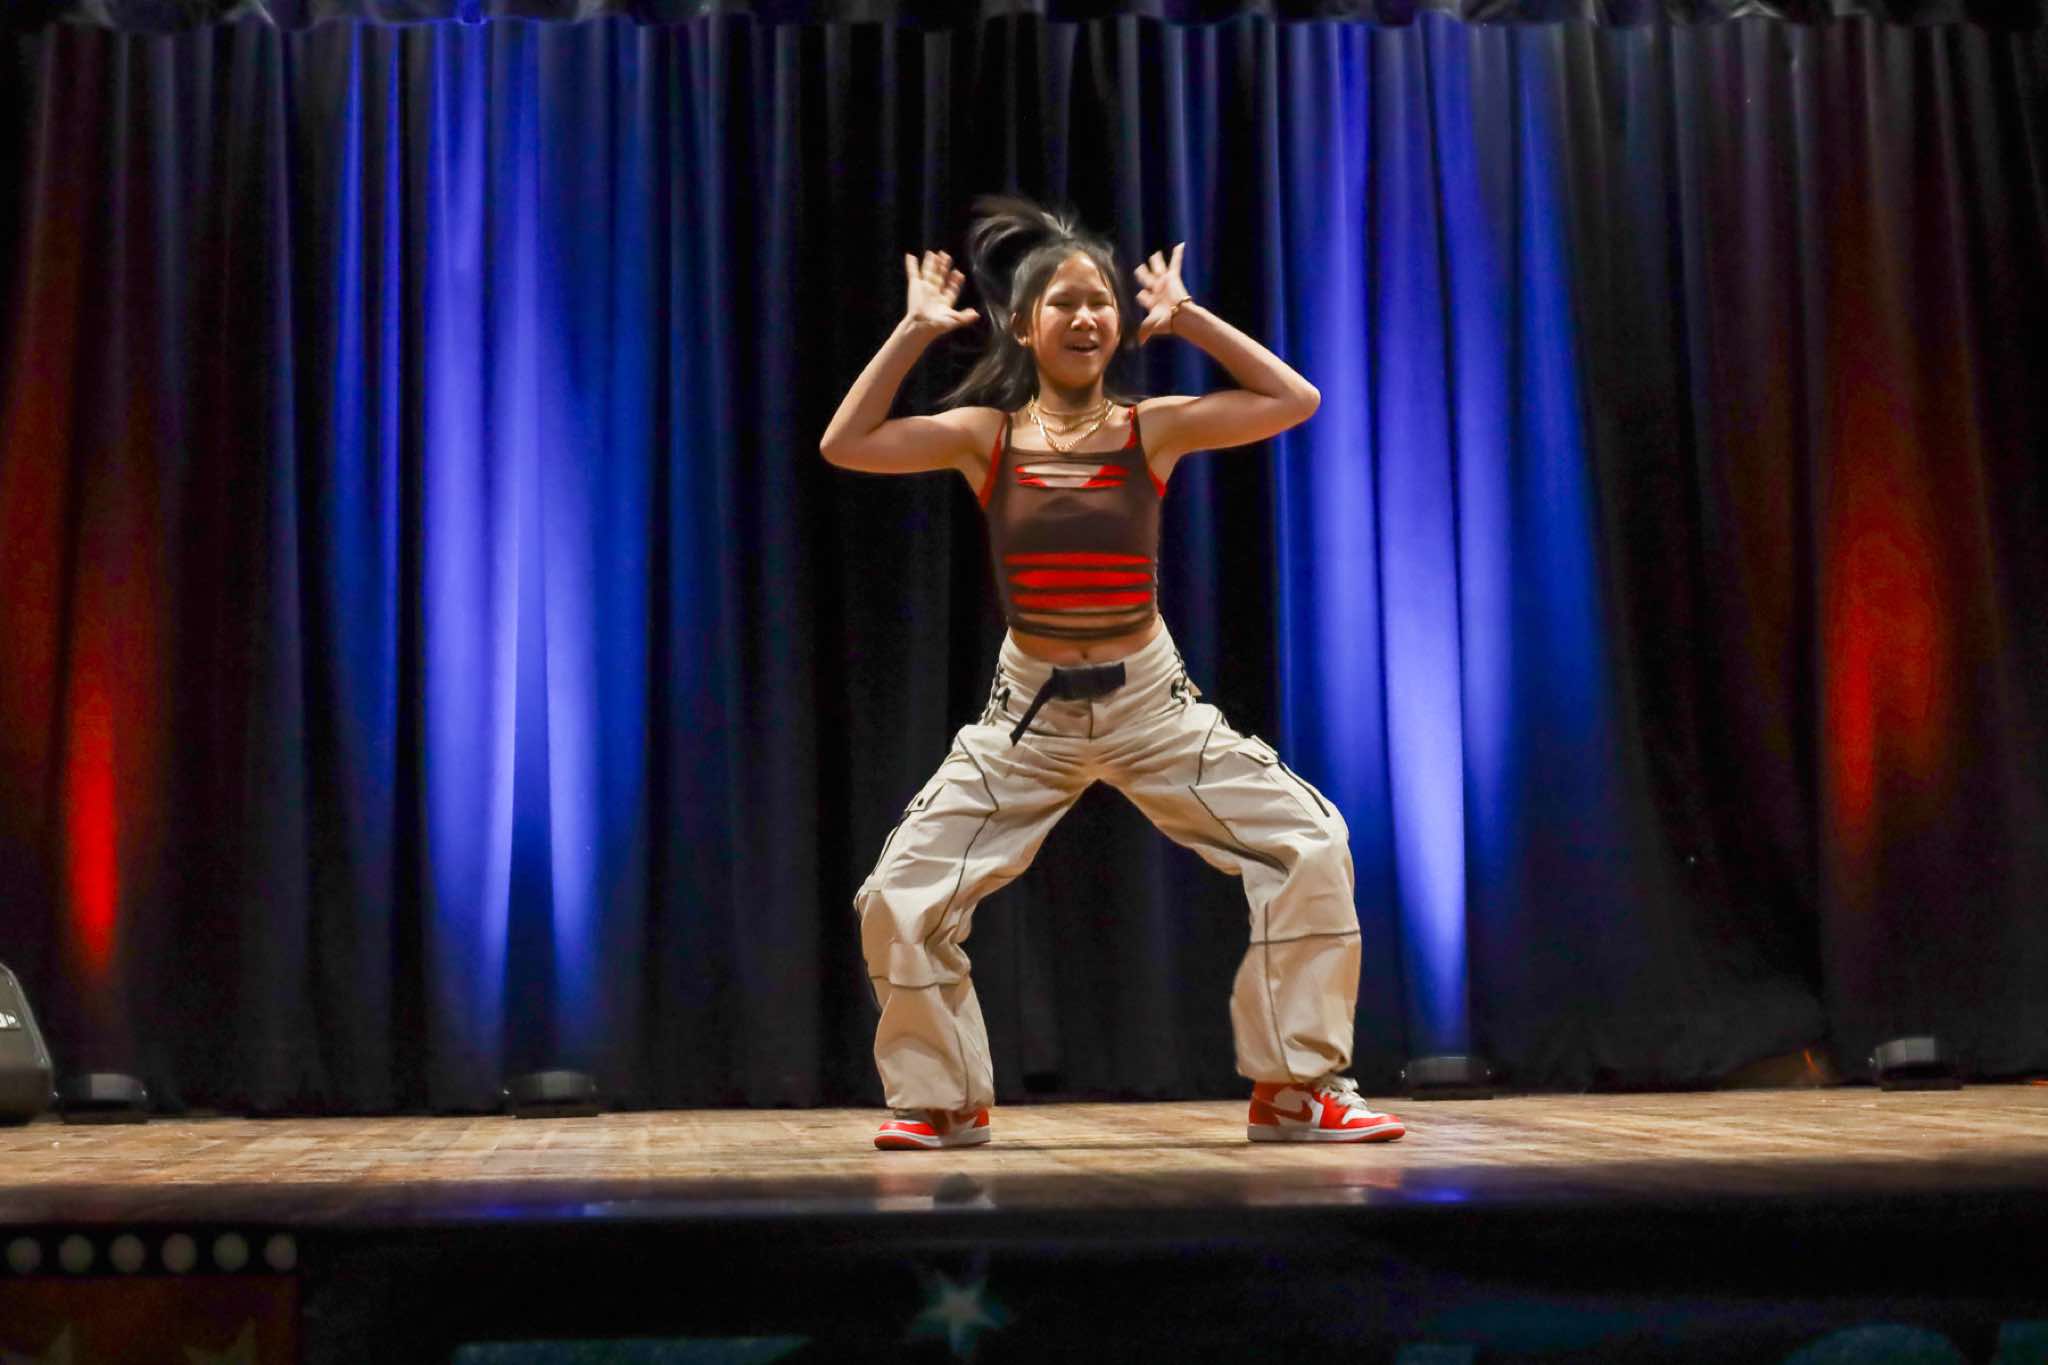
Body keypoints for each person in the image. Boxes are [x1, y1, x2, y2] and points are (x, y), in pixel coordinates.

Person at [819, 196, 1404, 1151]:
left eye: (1100, 301)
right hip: (1027, 717)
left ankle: (1296, 1088)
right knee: (897, 897)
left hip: (1151, 707)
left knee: (1309, 844)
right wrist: (913, 331)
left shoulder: (1149, 429)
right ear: (1025, 325)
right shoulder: (985, 436)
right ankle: (943, 1099)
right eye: (1064, 303)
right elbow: (846, 444)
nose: (1087, 316)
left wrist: (1192, 317)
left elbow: (1295, 400)